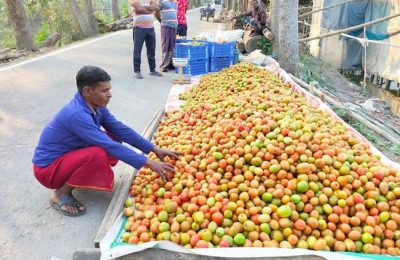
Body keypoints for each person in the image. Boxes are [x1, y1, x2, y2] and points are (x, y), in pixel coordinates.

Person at [32, 66, 179, 217]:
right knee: (98, 152)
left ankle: (80, 176)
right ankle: (60, 194)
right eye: (104, 91)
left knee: (113, 136)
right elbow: (108, 146)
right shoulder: (76, 114)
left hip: (67, 157)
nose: (110, 95)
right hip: (48, 169)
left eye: (109, 89)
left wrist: (153, 148)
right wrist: (148, 162)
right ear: (88, 91)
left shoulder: (96, 106)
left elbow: (120, 129)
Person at [129, 0, 163, 79]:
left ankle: (152, 70)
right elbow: (138, 9)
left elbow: (155, 8)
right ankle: (137, 71)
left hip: (150, 28)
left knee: (151, 50)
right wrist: (149, 9)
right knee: (137, 50)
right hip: (138, 28)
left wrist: (144, 7)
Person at [155, 0, 178, 72]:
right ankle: (164, 66)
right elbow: (156, 12)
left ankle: (171, 64)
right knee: (166, 45)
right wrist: (161, 21)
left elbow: (174, 13)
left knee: (172, 46)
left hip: (174, 26)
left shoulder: (175, 2)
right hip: (166, 26)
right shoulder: (161, 1)